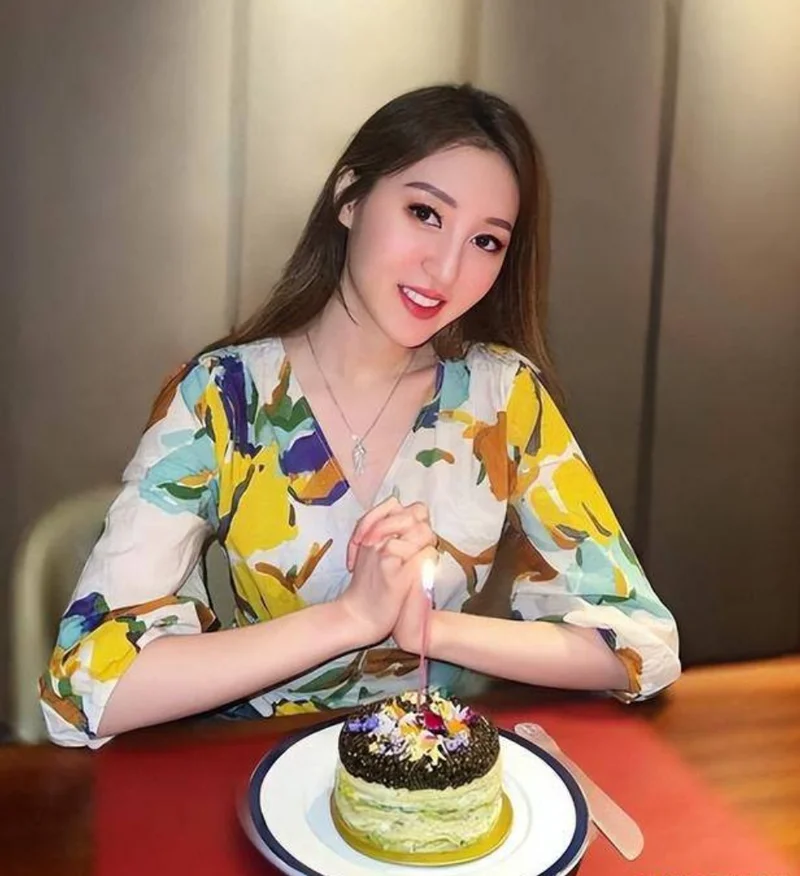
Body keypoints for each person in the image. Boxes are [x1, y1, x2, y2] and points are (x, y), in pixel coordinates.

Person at [40, 84, 680, 748]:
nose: (446, 268)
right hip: (259, 766)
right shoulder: (223, 397)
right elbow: (84, 690)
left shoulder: (503, 398)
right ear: (350, 197)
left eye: (486, 241)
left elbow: (643, 644)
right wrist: (351, 617)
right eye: (425, 213)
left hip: (434, 765)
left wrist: (431, 630)